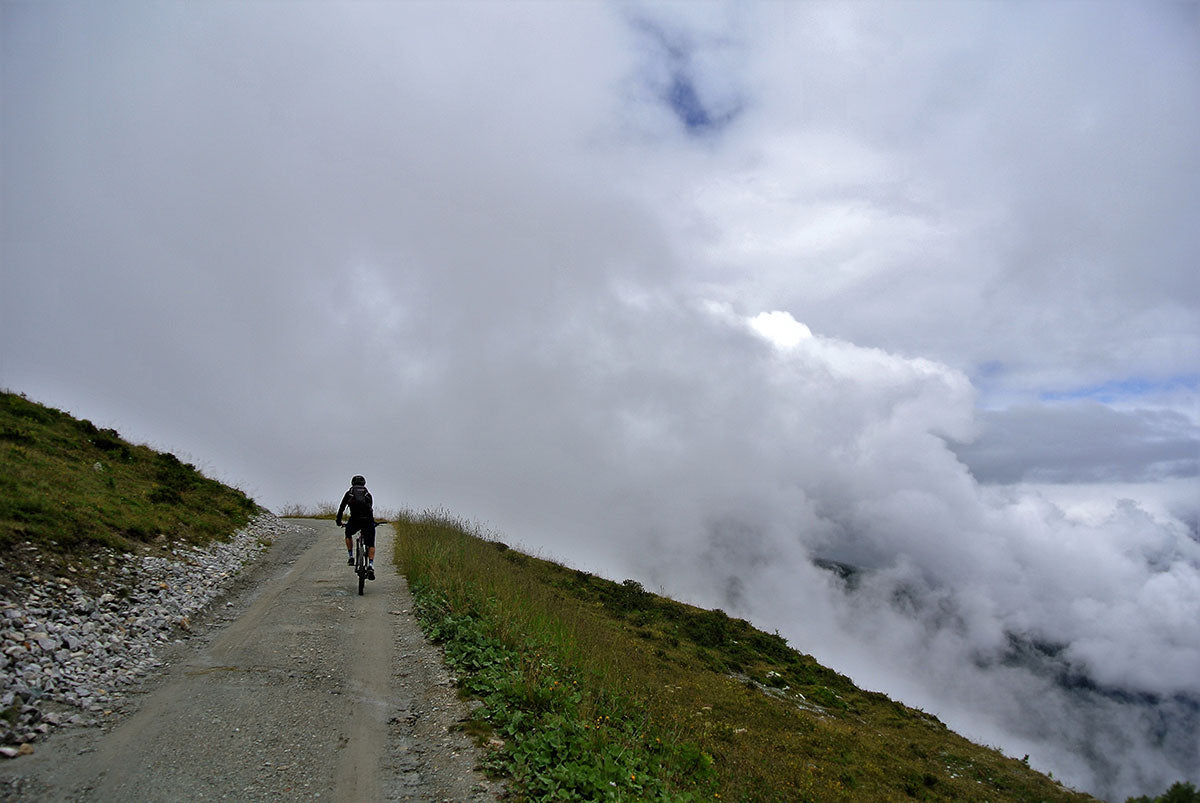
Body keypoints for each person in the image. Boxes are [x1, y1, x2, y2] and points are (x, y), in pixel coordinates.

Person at [336, 474, 376, 580]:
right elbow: (370, 509)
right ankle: (370, 565)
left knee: (348, 534)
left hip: (354, 520)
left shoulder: (349, 493)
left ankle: (351, 556)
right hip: (367, 521)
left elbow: (341, 508)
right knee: (371, 543)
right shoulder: (368, 494)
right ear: (364, 483)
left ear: (352, 483)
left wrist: (338, 521)